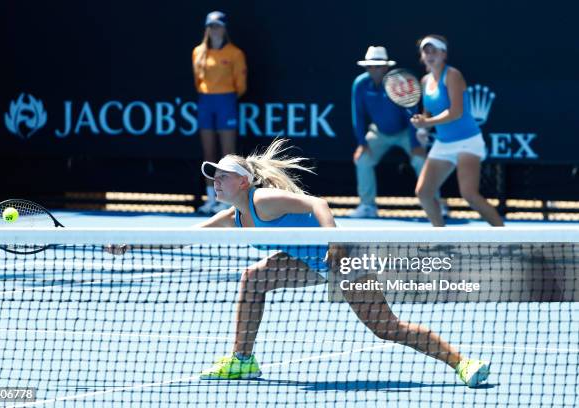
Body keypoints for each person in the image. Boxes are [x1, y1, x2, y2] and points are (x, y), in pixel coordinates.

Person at [110, 139, 490, 387]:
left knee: (387, 329)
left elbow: (317, 203)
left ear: (243, 183)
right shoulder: (237, 216)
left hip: (346, 259)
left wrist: (335, 242)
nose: (216, 183)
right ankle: (242, 359)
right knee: (254, 278)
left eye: (223, 177)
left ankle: (462, 363)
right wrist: (131, 243)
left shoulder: (262, 201)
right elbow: (187, 235)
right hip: (310, 262)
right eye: (214, 179)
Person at [411, 35, 504, 227]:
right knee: (424, 192)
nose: (429, 55)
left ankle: (508, 239)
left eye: (434, 50)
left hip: (467, 142)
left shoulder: (453, 75)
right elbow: (428, 111)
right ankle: (441, 239)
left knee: (469, 195)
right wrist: (423, 126)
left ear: (444, 54)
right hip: (443, 144)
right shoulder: (424, 81)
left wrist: (427, 123)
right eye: (425, 51)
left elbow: (456, 112)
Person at [349, 46, 446, 218]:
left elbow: (411, 114)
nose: (374, 70)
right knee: (362, 159)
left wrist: (415, 144)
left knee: (420, 160)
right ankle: (367, 206)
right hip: (378, 132)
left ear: (386, 67)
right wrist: (362, 144)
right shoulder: (360, 84)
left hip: (406, 132)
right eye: (370, 66)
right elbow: (358, 115)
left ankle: (435, 204)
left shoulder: (400, 84)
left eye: (378, 66)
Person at [192, 11, 247, 214]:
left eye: (218, 25)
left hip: (226, 101)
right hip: (206, 102)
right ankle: (210, 199)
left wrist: (225, 95)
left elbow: (241, 85)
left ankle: (227, 200)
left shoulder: (235, 53)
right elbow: (198, 81)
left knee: (227, 156)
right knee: (209, 154)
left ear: (224, 28)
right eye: (211, 26)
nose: (215, 29)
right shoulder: (198, 52)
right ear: (207, 28)